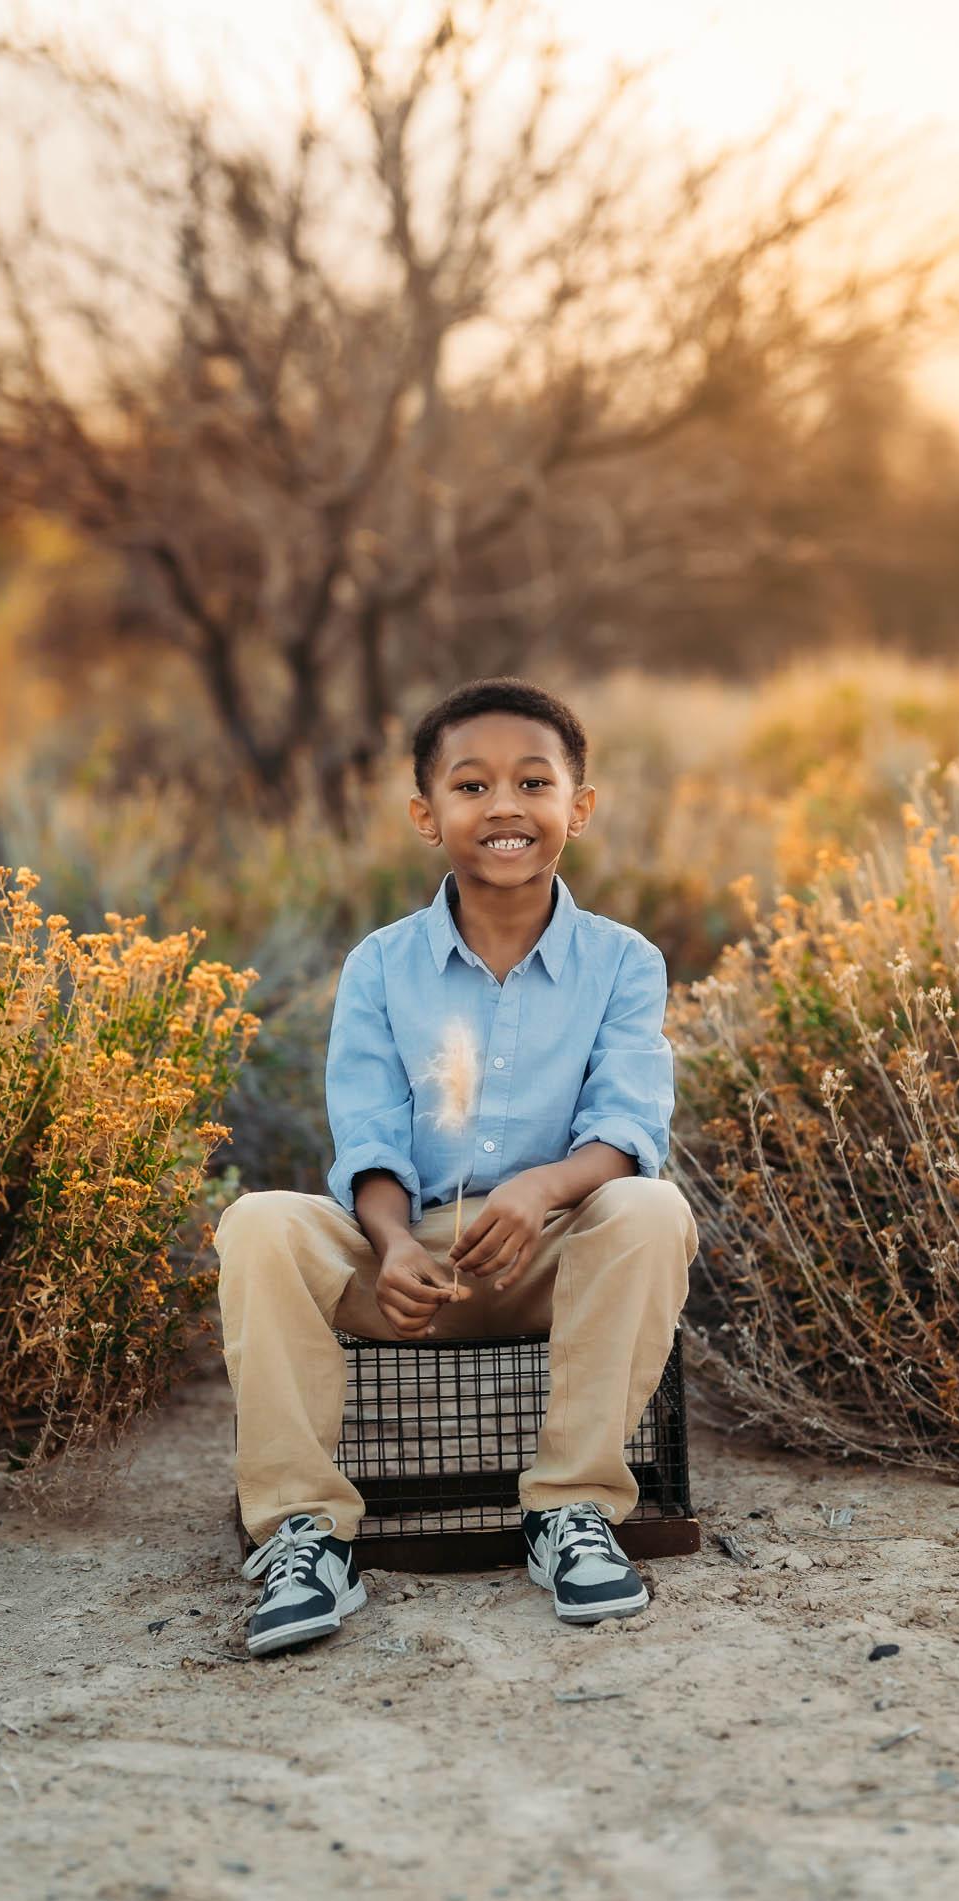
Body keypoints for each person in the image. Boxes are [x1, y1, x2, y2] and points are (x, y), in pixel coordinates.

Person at [215, 678, 697, 1657]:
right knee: (258, 1222)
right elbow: (369, 1132)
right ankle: (305, 1535)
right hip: (405, 1262)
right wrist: (389, 1242)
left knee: (648, 1205)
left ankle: (568, 1513)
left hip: (551, 1257)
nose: (504, 807)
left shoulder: (622, 961)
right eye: (470, 785)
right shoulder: (380, 965)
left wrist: (541, 1186)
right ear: (426, 817)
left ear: (579, 806)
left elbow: (627, 1118)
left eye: (533, 781)